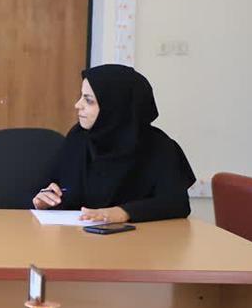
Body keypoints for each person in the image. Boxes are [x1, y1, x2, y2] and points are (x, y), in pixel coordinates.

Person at [33, 64, 195, 223]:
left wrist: (124, 212)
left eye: (88, 100)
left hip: (142, 238)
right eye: (81, 97)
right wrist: (45, 199)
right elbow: (51, 189)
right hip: (78, 236)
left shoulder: (159, 146)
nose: (78, 105)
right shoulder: (79, 137)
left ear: (115, 105)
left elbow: (176, 204)